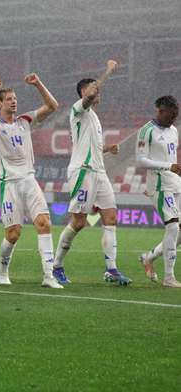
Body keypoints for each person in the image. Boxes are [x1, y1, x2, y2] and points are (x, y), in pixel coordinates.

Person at [0, 74, 62, 288]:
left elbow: (52, 105)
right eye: (9, 98)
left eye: (15, 98)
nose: (14, 101)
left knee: (44, 223)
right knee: (13, 234)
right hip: (8, 184)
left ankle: (49, 275)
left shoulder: (25, 120)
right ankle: (2, 271)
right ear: (0, 103)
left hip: (29, 180)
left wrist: (39, 83)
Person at [52, 60, 131, 285]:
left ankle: (111, 269)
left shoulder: (94, 118)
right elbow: (89, 96)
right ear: (83, 92)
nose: (98, 91)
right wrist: (108, 71)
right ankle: (56, 265)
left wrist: (107, 148)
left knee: (111, 217)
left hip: (99, 171)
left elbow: (90, 147)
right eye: (93, 88)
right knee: (78, 222)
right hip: (83, 173)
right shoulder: (78, 109)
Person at [136, 95, 181, 287]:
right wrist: (167, 166)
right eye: (171, 115)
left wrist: (173, 170)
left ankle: (148, 257)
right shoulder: (146, 131)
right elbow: (140, 160)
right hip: (160, 185)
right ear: (161, 111)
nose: (174, 119)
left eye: (176, 116)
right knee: (172, 226)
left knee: (179, 232)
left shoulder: (173, 130)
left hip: (175, 183)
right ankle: (169, 277)